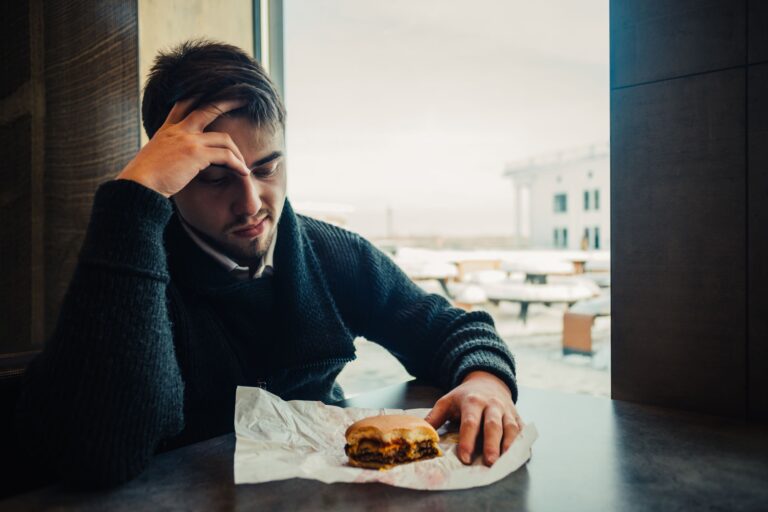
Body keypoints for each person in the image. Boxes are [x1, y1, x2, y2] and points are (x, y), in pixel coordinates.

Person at [15, 40, 522, 486]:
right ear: (171, 173)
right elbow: (102, 454)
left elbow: (449, 328)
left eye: (268, 168)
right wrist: (134, 195)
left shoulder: (330, 252)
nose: (252, 203)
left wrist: (485, 382)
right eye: (216, 176)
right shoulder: (131, 265)